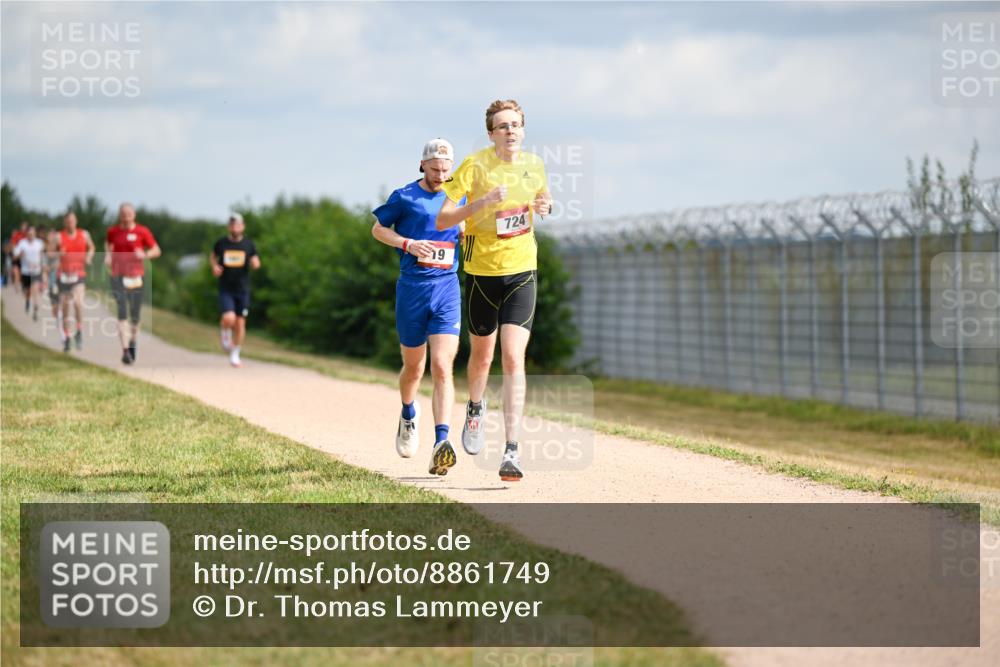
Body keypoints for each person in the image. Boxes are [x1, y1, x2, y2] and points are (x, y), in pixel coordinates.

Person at [436, 99, 552, 482]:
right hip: (482, 273)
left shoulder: (534, 165)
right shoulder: (475, 166)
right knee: (482, 358)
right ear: (491, 133)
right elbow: (443, 218)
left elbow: (541, 201)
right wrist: (481, 203)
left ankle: (512, 451)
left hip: (522, 270)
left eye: (515, 124)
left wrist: (544, 205)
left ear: (523, 128)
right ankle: (474, 407)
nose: (510, 131)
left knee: (513, 358)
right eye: (502, 126)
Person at [372, 138, 464, 476]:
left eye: (446, 169)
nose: (440, 174)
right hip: (412, 290)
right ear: (422, 165)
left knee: (442, 366)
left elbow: (467, 229)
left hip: (447, 290)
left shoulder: (459, 195)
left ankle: (442, 442)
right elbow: (378, 229)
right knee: (414, 369)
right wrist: (407, 243)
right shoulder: (405, 197)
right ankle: (409, 413)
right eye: (435, 168)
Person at [104, 203, 161, 365]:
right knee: (122, 311)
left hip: (136, 277)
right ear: (119, 215)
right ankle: (125, 351)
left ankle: (133, 342)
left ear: (134, 214)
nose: (126, 216)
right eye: (123, 213)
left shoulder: (142, 231)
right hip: (117, 276)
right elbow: (108, 246)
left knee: (135, 315)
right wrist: (108, 256)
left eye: (128, 213)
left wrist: (144, 254)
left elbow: (157, 250)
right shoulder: (113, 231)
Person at [210, 213, 260, 368]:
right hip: (226, 287)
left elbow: (255, 259)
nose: (235, 227)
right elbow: (213, 256)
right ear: (229, 226)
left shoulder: (248, 244)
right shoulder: (222, 243)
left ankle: (235, 353)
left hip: (242, 289)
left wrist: (255, 263)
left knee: (240, 323)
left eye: (237, 224)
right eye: (232, 224)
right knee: (229, 318)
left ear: (242, 226)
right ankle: (225, 333)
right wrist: (215, 267)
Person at [53, 212, 96, 352]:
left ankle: (79, 331)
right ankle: (66, 338)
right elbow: (49, 253)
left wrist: (89, 257)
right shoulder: (59, 236)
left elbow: (92, 248)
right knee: (65, 308)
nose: (71, 223)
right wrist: (58, 254)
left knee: (78, 303)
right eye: (68, 221)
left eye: (73, 220)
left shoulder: (84, 234)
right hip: (64, 275)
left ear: (76, 221)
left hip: (79, 274)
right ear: (65, 222)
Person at [13, 225, 46, 320]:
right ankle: (28, 301)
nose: (31, 235)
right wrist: (20, 254)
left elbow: (43, 255)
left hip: (36, 271)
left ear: (35, 234)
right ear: (26, 234)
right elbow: (15, 256)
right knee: (27, 292)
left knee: (35, 289)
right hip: (25, 272)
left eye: (32, 233)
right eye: (29, 233)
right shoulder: (22, 243)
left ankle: (35, 307)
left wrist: (43, 265)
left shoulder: (39, 243)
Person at [10, 221, 28, 293]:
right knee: (16, 272)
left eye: (25, 227)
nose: (24, 228)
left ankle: (24, 286)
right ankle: (16, 288)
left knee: (23, 273)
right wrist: (14, 254)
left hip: (24, 257)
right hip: (17, 256)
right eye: (23, 226)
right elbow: (13, 244)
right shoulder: (17, 235)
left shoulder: (27, 235)